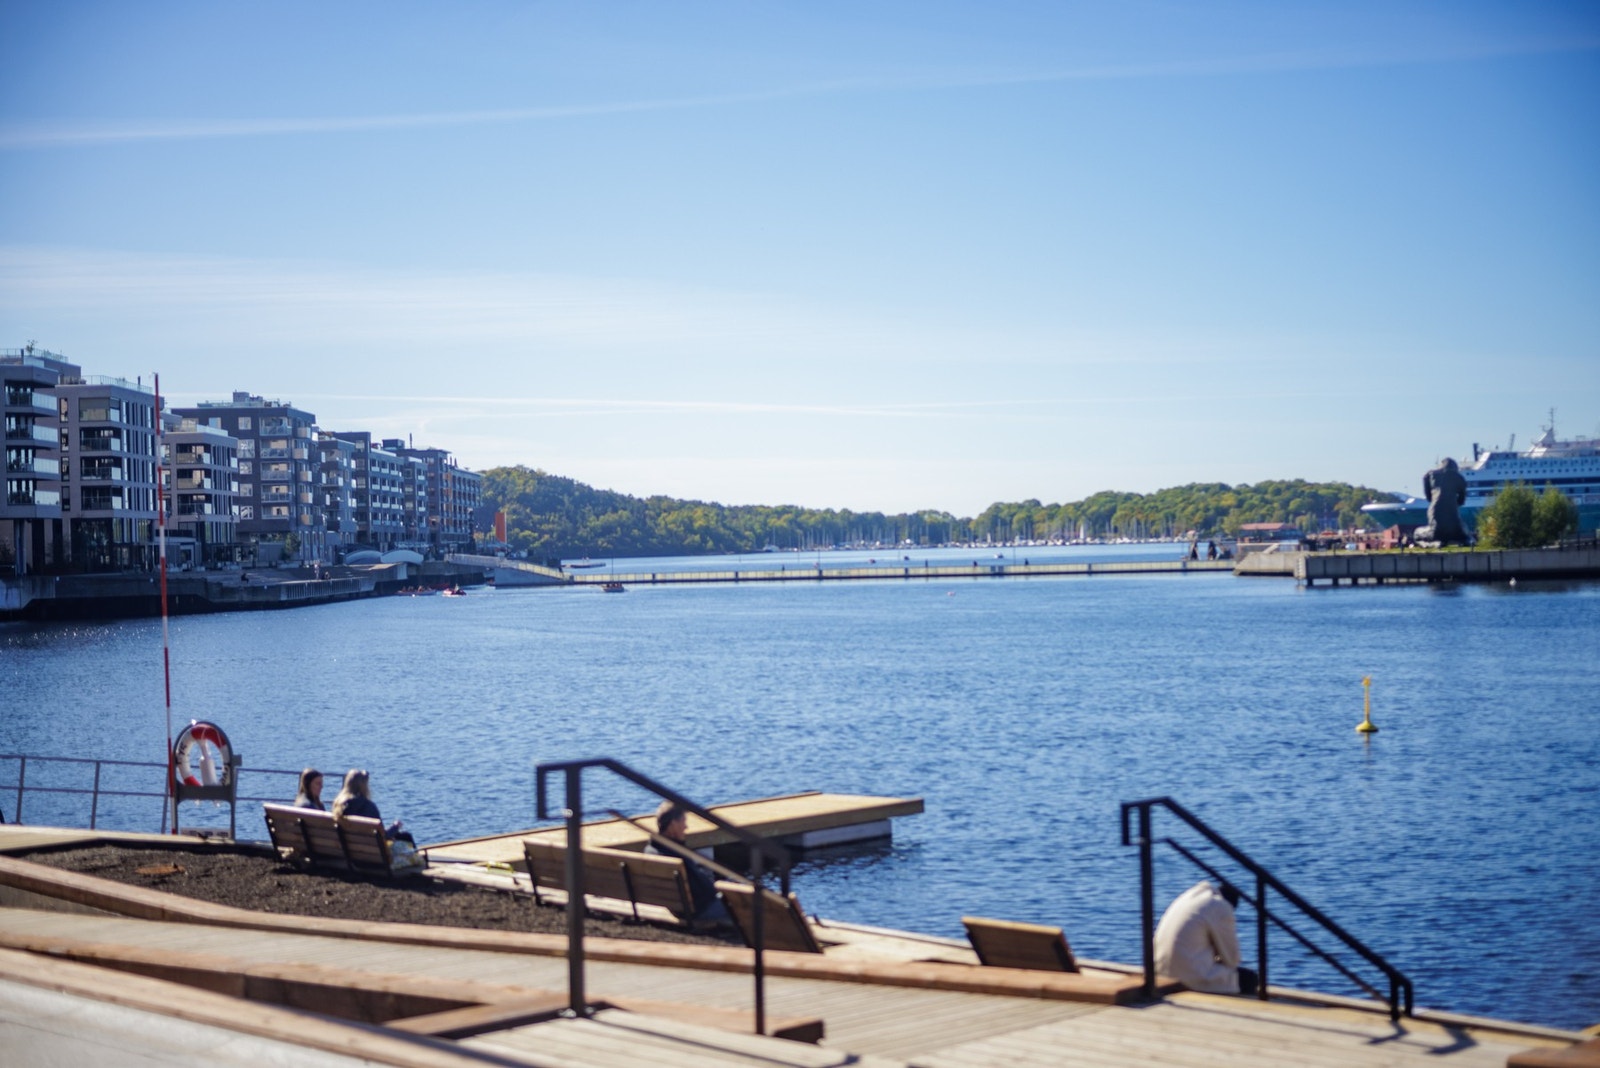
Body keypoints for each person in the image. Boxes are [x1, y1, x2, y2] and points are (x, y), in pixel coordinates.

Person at [1153, 880, 1259, 995]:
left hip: (1161, 971)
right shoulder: (1222, 907)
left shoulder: (1190, 897)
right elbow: (1232, 960)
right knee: (1250, 979)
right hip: (1191, 977)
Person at [646, 800, 730, 925]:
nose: (686, 827)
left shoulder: (650, 850)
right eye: (684, 822)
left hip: (676, 908)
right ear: (673, 824)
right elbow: (707, 890)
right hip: (698, 910)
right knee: (748, 904)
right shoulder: (676, 855)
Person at [331, 768, 414, 845]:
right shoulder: (368, 806)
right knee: (406, 836)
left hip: (350, 849)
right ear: (364, 786)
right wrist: (395, 827)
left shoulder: (338, 805)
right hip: (372, 852)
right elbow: (383, 836)